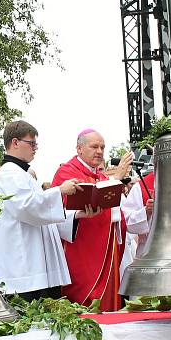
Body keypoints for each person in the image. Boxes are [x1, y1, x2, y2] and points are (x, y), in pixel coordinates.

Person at [0, 120, 95, 301]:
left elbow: (43, 215)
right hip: (23, 269)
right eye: (32, 143)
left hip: (37, 266)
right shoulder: (9, 173)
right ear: (15, 143)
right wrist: (59, 190)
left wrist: (77, 214)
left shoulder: (22, 174)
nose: (35, 148)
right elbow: (27, 208)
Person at [50, 129, 132, 310]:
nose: (100, 151)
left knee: (106, 306)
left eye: (102, 147)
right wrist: (116, 179)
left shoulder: (101, 177)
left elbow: (116, 213)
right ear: (79, 149)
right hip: (80, 251)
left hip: (105, 250)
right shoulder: (66, 172)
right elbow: (56, 213)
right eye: (94, 146)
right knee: (82, 304)